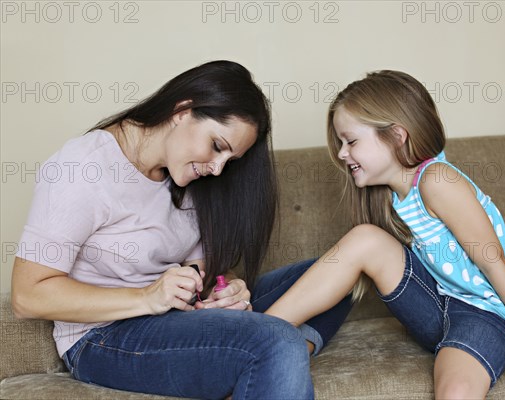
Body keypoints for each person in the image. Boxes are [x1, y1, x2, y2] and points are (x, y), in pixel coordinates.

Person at [11, 60, 352, 400]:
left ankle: (264, 371)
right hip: (104, 337)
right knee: (277, 339)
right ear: (183, 110)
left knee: (341, 274)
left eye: (229, 161)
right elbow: (28, 295)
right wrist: (147, 297)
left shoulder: (187, 177)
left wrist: (228, 288)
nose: (218, 169)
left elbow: (204, 267)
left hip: (184, 316)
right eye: (217, 146)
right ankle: (271, 355)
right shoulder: (82, 168)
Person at [264, 70, 505, 399]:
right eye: (340, 142)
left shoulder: (438, 180)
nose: (341, 153)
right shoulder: (389, 197)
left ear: (397, 135)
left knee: (456, 391)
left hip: (484, 313)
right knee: (365, 238)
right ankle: (258, 334)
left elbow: (494, 263)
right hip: (437, 308)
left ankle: (257, 335)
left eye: (350, 141)